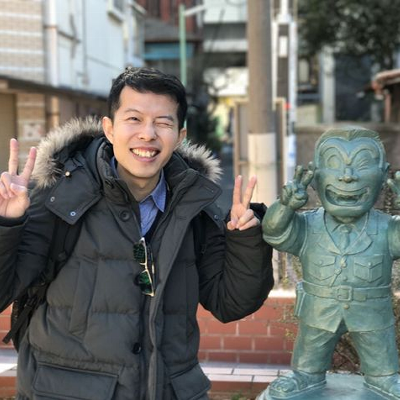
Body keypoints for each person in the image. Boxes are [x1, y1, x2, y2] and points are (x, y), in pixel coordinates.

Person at [0, 67, 273, 400]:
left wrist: (245, 239)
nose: (148, 134)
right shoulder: (57, 197)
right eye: (134, 119)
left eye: (163, 123)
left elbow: (231, 304)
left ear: (180, 136)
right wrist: (6, 224)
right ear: (109, 128)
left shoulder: (195, 206)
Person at [260, 126, 400, 399]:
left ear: (383, 176)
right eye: (334, 164)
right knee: (310, 350)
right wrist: (285, 206)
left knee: (379, 351)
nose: (347, 176)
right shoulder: (306, 225)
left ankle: (383, 378)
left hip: (371, 310)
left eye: (362, 164)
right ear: (315, 177)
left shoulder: (387, 228)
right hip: (319, 308)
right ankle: (305, 375)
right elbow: (274, 233)